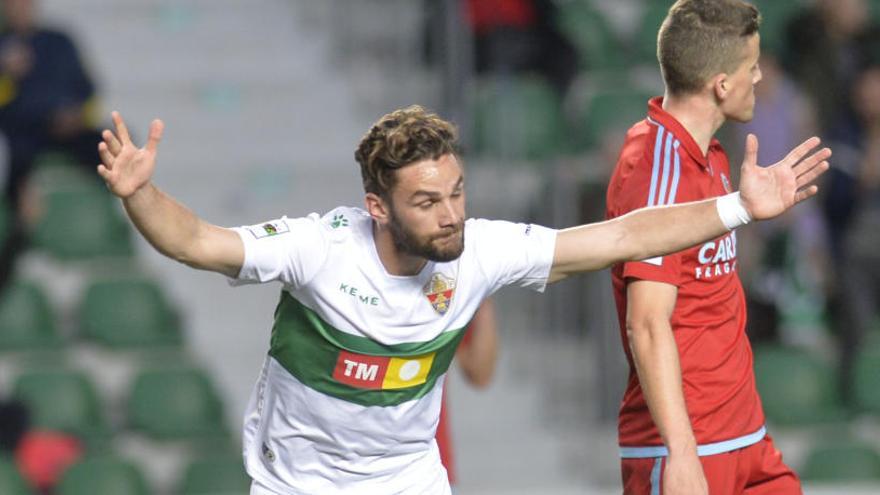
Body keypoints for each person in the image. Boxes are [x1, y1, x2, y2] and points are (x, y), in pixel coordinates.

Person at [95, 101, 827, 494]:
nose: (450, 214)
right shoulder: (318, 249)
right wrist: (140, 194)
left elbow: (617, 238)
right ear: (377, 207)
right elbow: (195, 240)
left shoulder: (475, 249)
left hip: (411, 481)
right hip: (298, 485)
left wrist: (735, 208)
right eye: (427, 201)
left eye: (457, 192)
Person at [605, 1, 808, 494]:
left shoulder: (712, 157)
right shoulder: (657, 169)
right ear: (722, 84)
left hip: (745, 435)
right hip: (688, 448)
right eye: (752, 66)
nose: (759, 77)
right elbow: (647, 323)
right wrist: (682, 453)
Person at [436, 298, 498, 485]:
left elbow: (480, 373)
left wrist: (485, 288)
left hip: (429, 468)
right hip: (350, 470)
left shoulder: (435, 278)